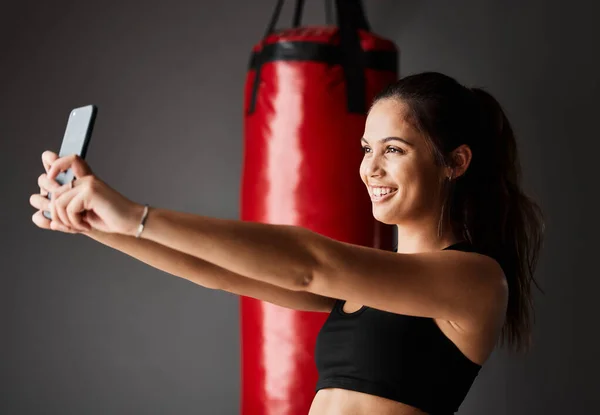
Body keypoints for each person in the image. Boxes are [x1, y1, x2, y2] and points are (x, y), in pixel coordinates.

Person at [30, 71, 544, 415]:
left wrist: (136, 215)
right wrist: (101, 225)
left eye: (394, 149)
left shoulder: (475, 279)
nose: (371, 168)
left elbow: (309, 264)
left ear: (455, 162)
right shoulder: (371, 281)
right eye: (367, 148)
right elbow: (217, 271)